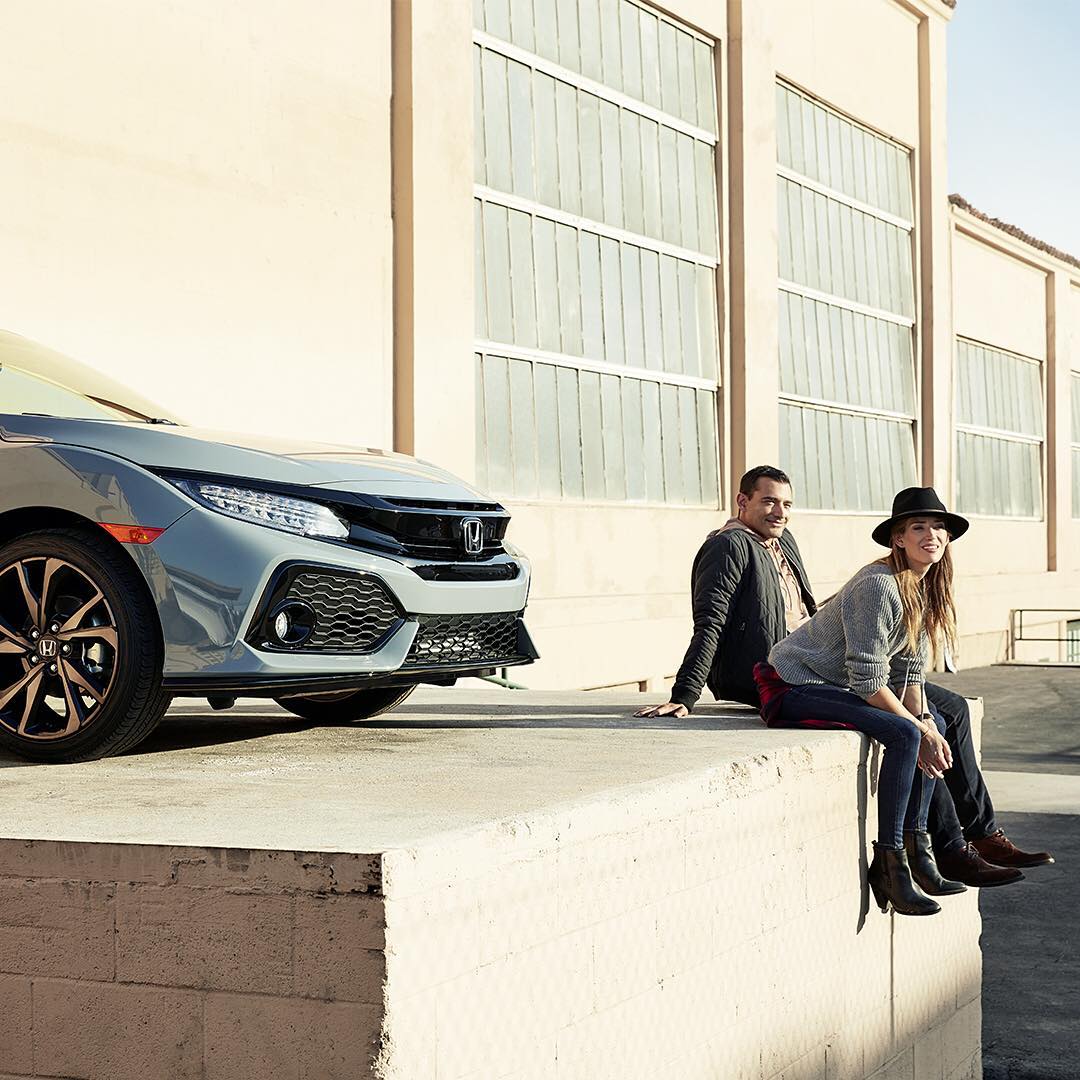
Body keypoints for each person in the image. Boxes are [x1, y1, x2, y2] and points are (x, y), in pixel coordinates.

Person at [635, 468, 1053, 887]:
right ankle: (944, 849)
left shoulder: (793, 545)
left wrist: (923, 719)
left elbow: (904, 665)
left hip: (832, 667)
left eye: (786, 503)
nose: (780, 512)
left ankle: (980, 834)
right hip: (791, 674)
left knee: (948, 712)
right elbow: (711, 620)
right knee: (915, 729)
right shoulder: (729, 546)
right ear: (742, 502)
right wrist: (685, 693)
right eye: (768, 501)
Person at [763, 489, 969, 915]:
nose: (931, 535)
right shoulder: (878, 585)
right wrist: (917, 729)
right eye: (918, 527)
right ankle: (889, 863)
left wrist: (928, 721)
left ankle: (918, 851)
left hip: (835, 687)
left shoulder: (921, 587)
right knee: (903, 733)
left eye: (938, 527)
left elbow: (909, 673)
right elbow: (868, 680)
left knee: (934, 722)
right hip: (793, 684)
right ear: (899, 539)